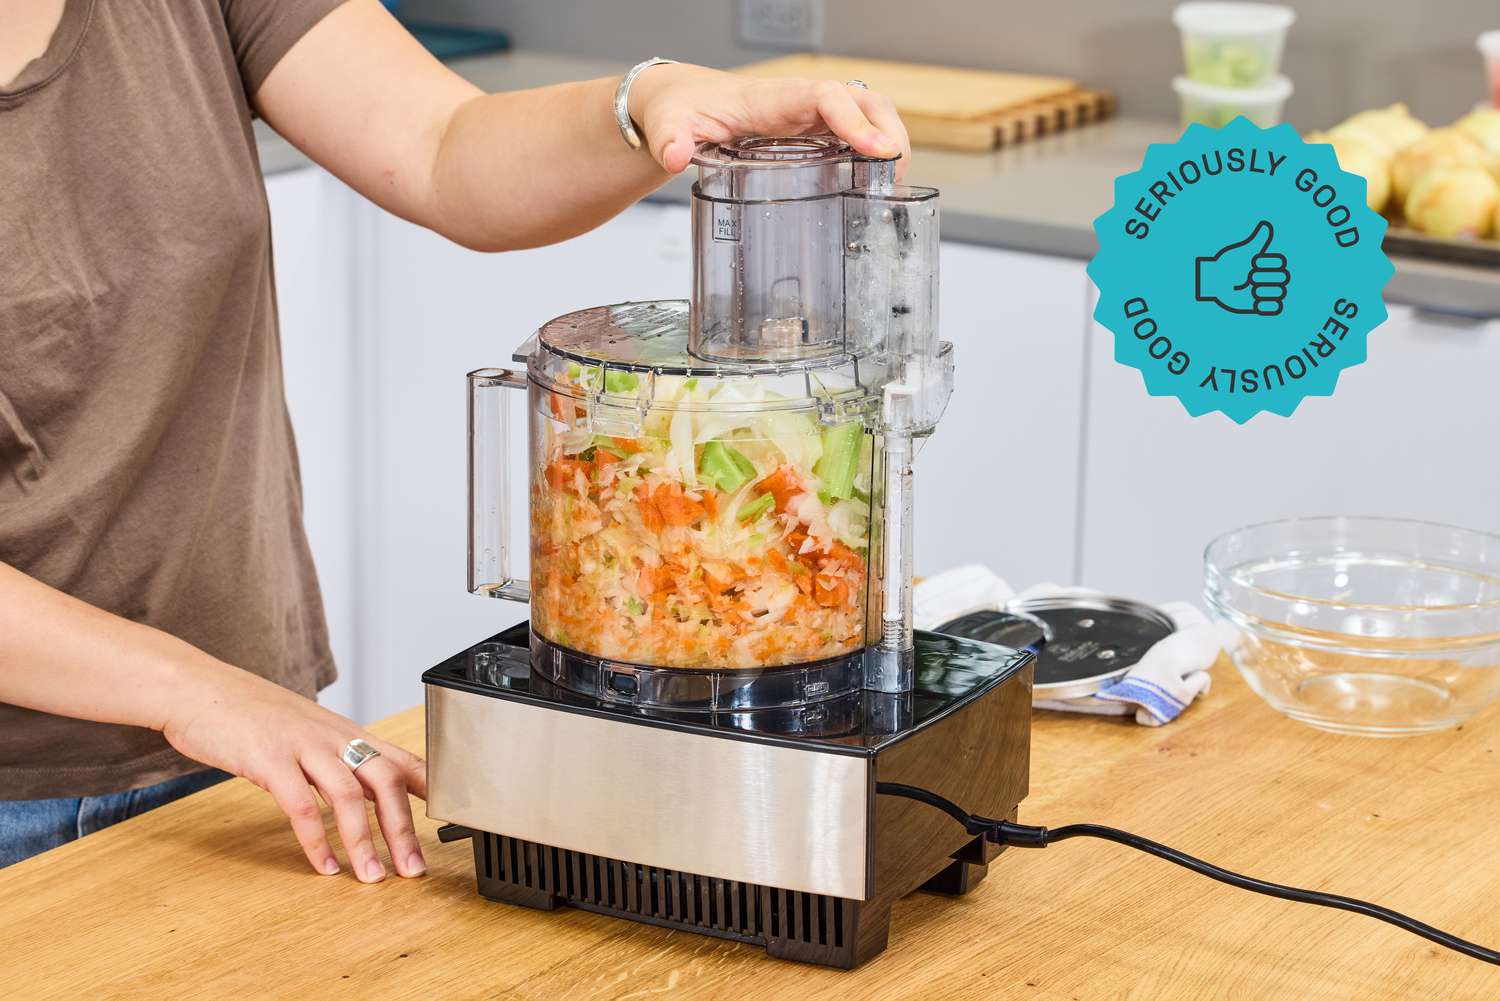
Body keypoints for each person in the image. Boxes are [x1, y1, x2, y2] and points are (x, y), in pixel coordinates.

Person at [0, 0, 910, 879]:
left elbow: (441, 148)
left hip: (258, 749)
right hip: (54, 777)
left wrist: (650, 102)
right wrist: (197, 693)